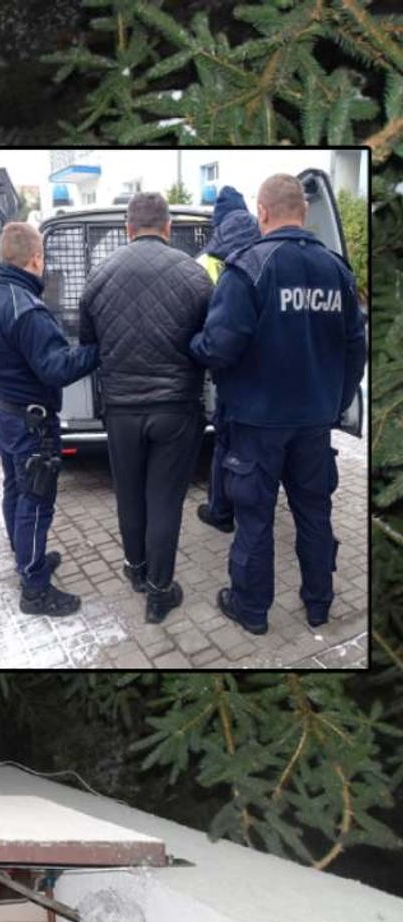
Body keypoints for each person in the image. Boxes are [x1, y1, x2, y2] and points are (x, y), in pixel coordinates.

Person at [190, 173, 366, 635]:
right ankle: (319, 604)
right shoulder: (337, 271)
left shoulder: (248, 267)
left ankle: (251, 609)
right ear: (304, 212)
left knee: (255, 518)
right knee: (314, 513)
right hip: (314, 422)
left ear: (262, 213)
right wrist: (336, 401)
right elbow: (356, 347)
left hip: (257, 423)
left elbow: (220, 345)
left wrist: (194, 346)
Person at [78, 193, 213, 623]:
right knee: (164, 501)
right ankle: (159, 593)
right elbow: (210, 340)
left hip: (121, 408)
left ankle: (136, 570)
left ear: (128, 228)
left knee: (130, 495)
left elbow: (88, 342)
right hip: (176, 408)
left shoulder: (99, 275)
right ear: (169, 227)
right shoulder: (194, 275)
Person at [0, 221, 100, 617]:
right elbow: (57, 368)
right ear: (36, 258)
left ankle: (26, 557)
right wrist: (99, 351)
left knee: (15, 490)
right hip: (31, 425)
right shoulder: (26, 310)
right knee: (36, 501)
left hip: (3, 413)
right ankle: (35, 589)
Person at [194, 187, 261, 535]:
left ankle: (221, 509)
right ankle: (254, 500)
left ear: (218, 223)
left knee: (225, 440)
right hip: (265, 368)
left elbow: (192, 314)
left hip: (222, 363)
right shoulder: (266, 254)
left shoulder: (204, 262)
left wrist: (197, 348)